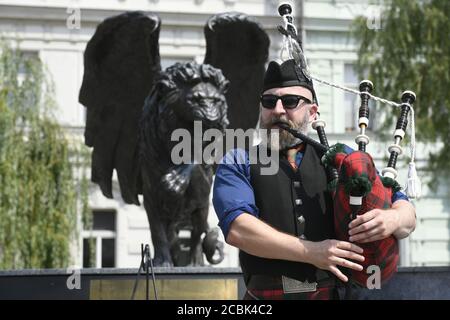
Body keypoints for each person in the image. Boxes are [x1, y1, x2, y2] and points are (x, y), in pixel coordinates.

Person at [212, 59, 416, 300]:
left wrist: (392, 218)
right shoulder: (238, 161)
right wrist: (312, 252)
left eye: (290, 102)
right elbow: (239, 230)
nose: (277, 110)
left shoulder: (342, 160)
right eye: (269, 102)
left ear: (312, 112)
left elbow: (406, 213)